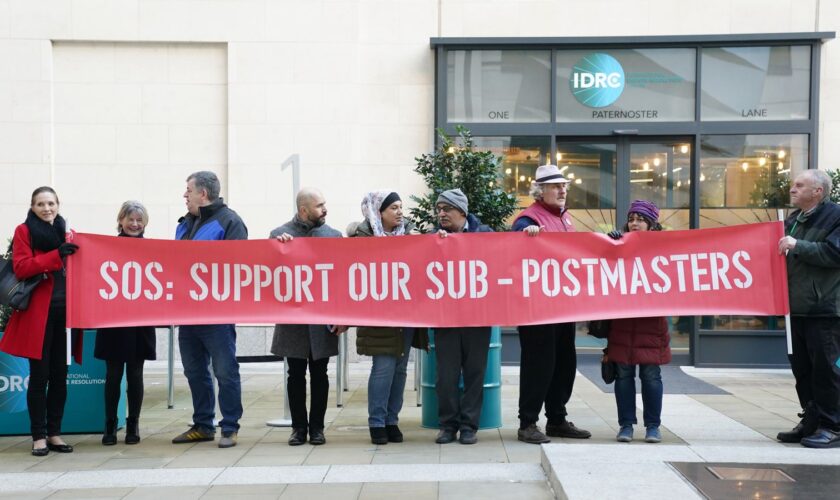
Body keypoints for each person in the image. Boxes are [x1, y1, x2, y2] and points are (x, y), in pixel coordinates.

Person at [512, 164, 591, 444]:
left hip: (563, 307)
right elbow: (512, 247)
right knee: (538, 365)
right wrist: (527, 234)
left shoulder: (565, 219)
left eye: (564, 186)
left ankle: (557, 418)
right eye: (555, 186)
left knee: (564, 364)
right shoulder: (527, 219)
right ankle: (528, 423)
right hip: (537, 310)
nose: (562, 190)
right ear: (540, 190)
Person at [0, 186, 81, 456]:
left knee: (61, 376)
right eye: (41, 204)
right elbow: (22, 267)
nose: (47, 208)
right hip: (38, 313)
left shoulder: (66, 230)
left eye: (51, 203)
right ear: (32, 207)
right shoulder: (24, 231)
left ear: (58, 205)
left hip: (64, 313)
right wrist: (56, 256)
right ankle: (38, 436)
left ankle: (55, 433)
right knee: (39, 376)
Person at [171, 171, 247, 449]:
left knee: (225, 370)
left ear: (202, 194)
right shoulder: (184, 224)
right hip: (188, 314)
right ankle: (203, 425)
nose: (185, 195)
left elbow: (239, 267)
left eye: (188, 190)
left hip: (217, 315)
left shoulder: (230, 222)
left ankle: (229, 426)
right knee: (194, 371)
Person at [349, 191, 429, 445]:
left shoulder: (411, 234)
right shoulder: (361, 238)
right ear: (379, 211)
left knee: (401, 368)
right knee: (383, 367)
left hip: (406, 315)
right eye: (393, 207)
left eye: (401, 207)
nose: (399, 212)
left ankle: (392, 420)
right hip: (379, 315)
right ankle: (376, 422)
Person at [270, 187, 346, 446]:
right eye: (319, 206)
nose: (325, 209)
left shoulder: (334, 237)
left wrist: (342, 316)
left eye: (324, 204)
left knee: (320, 373)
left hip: (322, 319)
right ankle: (298, 428)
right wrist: (277, 250)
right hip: (293, 320)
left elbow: (341, 281)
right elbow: (269, 273)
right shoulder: (279, 235)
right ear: (303, 210)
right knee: (295, 374)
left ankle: (317, 428)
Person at [776, 169, 840, 448]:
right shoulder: (793, 219)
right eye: (793, 185)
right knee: (802, 369)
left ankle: (832, 426)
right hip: (796, 309)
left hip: (824, 309)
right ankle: (812, 419)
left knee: (825, 370)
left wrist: (797, 244)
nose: (793, 189)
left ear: (819, 191)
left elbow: (834, 253)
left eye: (800, 185)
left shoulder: (835, 216)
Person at [605, 200, 671, 443]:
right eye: (631, 218)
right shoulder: (617, 242)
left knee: (651, 375)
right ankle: (626, 425)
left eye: (640, 219)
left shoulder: (665, 248)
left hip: (650, 325)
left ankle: (653, 426)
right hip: (623, 323)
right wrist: (610, 242)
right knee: (623, 375)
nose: (634, 223)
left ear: (651, 224)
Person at [433, 188, 493, 445]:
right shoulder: (435, 237)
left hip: (478, 318)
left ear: (462, 211)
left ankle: (469, 426)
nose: (441, 213)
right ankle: (447, 426)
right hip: (446, 318)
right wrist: (436, 244)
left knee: (474, 373)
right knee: (445, 376)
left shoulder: (486, 235)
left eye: (446, 209)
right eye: (438, 209)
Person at [94, 201, 156, 445]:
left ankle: (134, 424)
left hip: (141, 320)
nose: (134, 224)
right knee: (113, 374)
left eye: (139, 220)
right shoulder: (106, 247)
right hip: (114, 319)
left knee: (135, 374)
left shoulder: (153, 249)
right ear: (120, 220)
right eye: (130, 219)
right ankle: (110, 425)